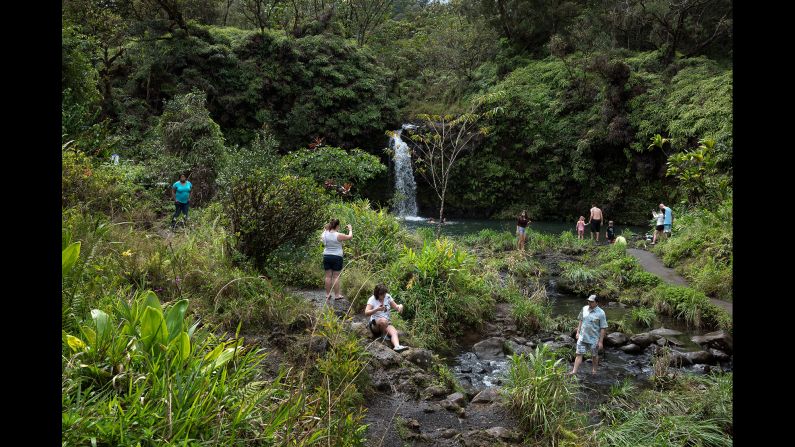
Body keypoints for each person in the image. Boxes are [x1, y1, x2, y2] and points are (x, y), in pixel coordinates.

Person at [569, 294, 608, 375]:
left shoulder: (601, 313)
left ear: (597, 302)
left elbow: (603, 328)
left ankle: (594, 371)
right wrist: (578, 332)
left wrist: (600, 342)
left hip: (594, 339)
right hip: (582, 337)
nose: (589, 303)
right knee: (579, 354)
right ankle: (574, 371)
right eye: (588, 301)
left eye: (591, 301)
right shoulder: (584, 308)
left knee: (594, 355)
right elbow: (581, 320)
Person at [365, 284, 409, 352]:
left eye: (384, 294)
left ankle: (397, 346)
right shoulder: (372, 299)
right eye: (382, 294)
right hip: (375, 324)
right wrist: (376, 309)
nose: (384, 296)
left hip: (386, 323)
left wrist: (400, 306)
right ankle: (383, 336)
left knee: (394, 332)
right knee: (383, 321)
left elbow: (396, 307)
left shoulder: (387, 297)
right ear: (377, 294)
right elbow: (366, 312)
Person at [321, 219, 353, 303]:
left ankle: (327, 294)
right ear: (337, 226)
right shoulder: (338, 235)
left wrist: (326, 228)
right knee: (336, 276)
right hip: (337, 257)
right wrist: (350, 229)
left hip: (326, 256)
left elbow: (322, 240)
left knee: (328, 276)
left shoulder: (325, 233)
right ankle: (337, 295)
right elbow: (350, 237)